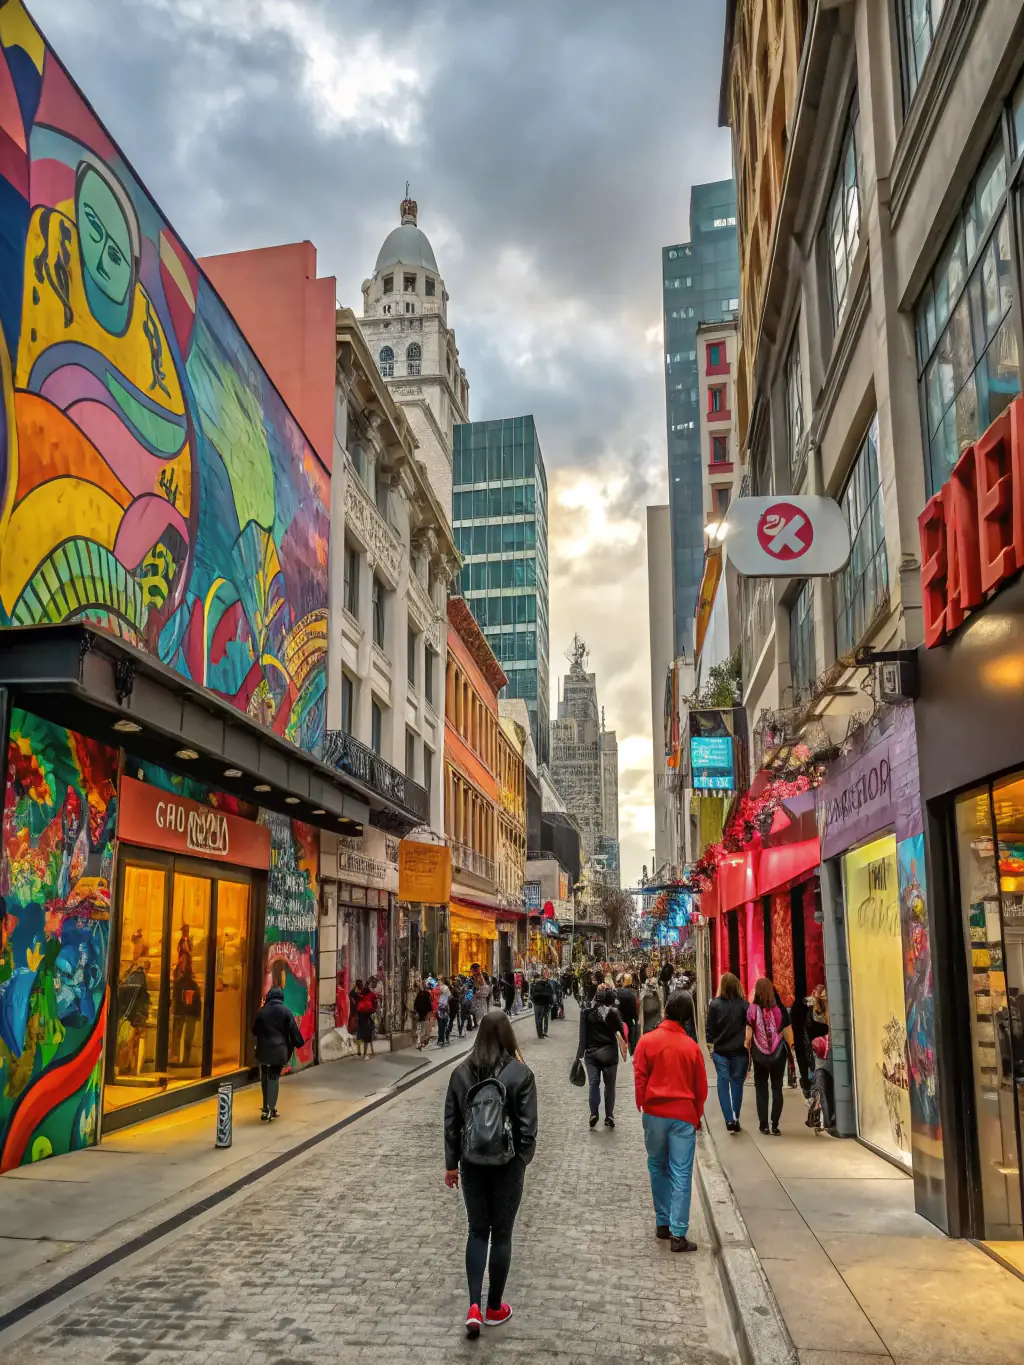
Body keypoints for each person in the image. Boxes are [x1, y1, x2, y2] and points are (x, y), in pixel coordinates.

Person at [444, 1012, 538, 1338]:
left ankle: (473, 1304)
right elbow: (528, 1129)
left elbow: (451, 1124)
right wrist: (521, 1160)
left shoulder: (460, 1072)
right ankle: (495, 1306)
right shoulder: (520, 1073)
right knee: (502, 1234)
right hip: (508, 1165)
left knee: (477, 1231)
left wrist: (451, 1164)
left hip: (471, 1163)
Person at [633, 990, 708, 1253]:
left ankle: (662, 1222)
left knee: (657, 1166)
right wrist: (696, 1114)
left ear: (665, 1011)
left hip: (654, 1113)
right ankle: (678, 1233)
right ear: (687, 1018)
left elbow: (640, 1075)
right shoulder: (692, 1048)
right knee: (681, 1173)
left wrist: (641, 1102)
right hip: (682, 1116)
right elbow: (701, 1088)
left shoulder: (647, 1041)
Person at [745, 977, 795, 1135]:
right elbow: (788, 1035)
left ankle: (763, 1125)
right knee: (777, 1088)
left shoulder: (752, 1009)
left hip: (759, 1055)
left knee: (761, 1088)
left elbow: (748, 1036)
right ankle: (775, 1124)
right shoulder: (779, 1009)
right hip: (777, 1055)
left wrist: (748, 1047)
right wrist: (790, 1048)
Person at [576, 984, 627, 1128]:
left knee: (594, 1084)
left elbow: (582, 1037)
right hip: (610, 1053)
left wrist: (579, 1056)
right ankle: (609, 1115)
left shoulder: (586, 1013)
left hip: (592, 1054)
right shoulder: (614, 1013)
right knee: (610, 1086)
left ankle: (594, 1113)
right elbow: (621, 1033)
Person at [252, 985, 305, 1121]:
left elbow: (254, 1030)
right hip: (278, 1050)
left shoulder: (262, 1011)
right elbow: (293, 1030)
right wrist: (298, 1043)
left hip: (263, 1050)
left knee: (264, 1077)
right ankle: (271, 1108)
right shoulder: (285, 1011)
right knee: (274, 1078)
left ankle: (265, 1109)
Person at [705, 972, 749, 1132]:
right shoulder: (745, 1005)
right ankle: (736, 1117)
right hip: (740, 1051)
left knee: (722, 1082)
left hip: (721, 1050)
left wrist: (711, 1048)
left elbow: (710, 1029)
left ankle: (729, 1119)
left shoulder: (715, 1005)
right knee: (737, 1083)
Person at [170, 946, 201, 1068]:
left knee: (180, 1036)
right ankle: (183, 1058)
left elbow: (177, 998)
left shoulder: (181, 982)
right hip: (188, 1012)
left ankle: (179, 1058)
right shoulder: (191, 984)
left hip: (183, 1011)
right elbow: (197, 1001)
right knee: (185, 1036)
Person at [353, 979, 378, 1059]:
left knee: (360, 1036)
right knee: (368, 1037)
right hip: (367, 1018)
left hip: (360, 1018)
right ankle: (365, 1054)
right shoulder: (371, 995)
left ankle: (359, 1051)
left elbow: (356, 1004)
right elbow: (374, 1006)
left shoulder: (359, 995)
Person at [616, 972, 640, 1056]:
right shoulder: (634, 992)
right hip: (632, 1019)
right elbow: (637, 1006)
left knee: (623, 1039)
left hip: (622, 1020)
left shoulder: (618, 993)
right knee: (632, 1039)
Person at [530, 968, 555, 1038]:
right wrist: (551, 1003)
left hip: (538, 1004)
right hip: (545, 1003)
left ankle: (540, 1033)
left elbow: (531, 995)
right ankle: (543, 1032)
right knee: (544, 1018)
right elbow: (551, 993)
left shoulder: (534, 985)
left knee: (538, 1019)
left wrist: (534, 1001)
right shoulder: (546, 984)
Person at [413, 979, 433, 1050]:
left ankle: (418, 1042)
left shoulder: (419, 995)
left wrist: (415, 1011)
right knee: (423, 1029)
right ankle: (421, 1043)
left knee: (419, 1028)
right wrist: (429, 1012)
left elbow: (415, 1004)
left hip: (420, 1014)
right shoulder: (427, 994)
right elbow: (429, 1004)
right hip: (424, 1015)